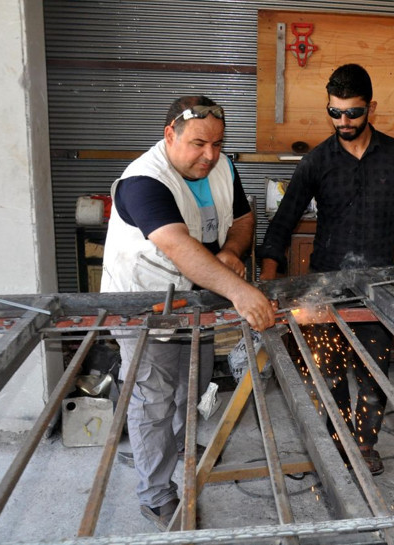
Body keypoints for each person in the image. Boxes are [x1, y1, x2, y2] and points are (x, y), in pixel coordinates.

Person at [259, 64, 394, 476]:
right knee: (331, 373)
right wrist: (269, 279)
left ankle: (366, 445)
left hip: (377, 286)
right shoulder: (316, 162)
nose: (343, 122)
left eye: (353, 113)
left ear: (371, 107)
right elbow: (282, 223)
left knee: (373, 373)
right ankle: (338, 445)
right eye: (334, 113)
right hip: (325, 285)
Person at [100, 95, 275, 530]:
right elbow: (179, 246)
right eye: (199, 144)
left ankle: (164, 449)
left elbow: (244, 217)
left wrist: (233, 251)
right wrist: (239, 290)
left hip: (195, 301)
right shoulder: (144, 181)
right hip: (145, 305)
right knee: (153, 398)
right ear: (170, 135)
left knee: (188, 387)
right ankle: (156, 495)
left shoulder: (222, 167)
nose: (210, 155)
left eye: (217, 144)